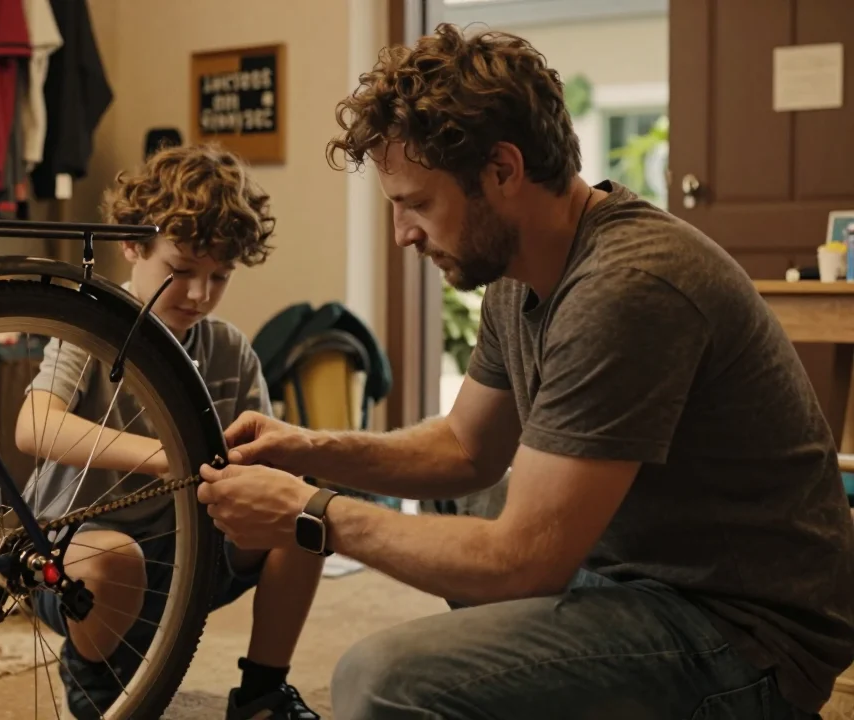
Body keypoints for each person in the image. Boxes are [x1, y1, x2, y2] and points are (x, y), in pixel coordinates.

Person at [196, 23, 854, 720]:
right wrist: (308, 449)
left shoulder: (628, 285)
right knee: (458, 502)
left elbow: (524, 561)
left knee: (380, 678)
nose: (404, 235)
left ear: (503, 171)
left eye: (417, 203)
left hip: (744, 634)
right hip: (635, 571)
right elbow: (464, 449)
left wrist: (310, 513)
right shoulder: (518, 269)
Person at [15, 143, 326, 719]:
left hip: (189, 546)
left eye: (219, 277)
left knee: (307, 516)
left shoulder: (229, 348)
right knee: (118, 562)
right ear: (133, 245)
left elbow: (264, 467)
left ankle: (262, 692)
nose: (199, 294)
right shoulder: (95, 325)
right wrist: (170, 455)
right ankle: (97, 689)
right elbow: (34, 426)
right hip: (78, 548)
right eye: (180, 271)